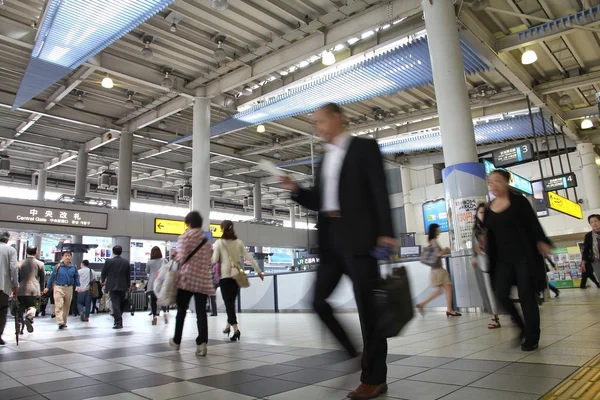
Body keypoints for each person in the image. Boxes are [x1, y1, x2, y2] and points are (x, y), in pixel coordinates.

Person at [279, 103, 395, 400]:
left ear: (337, 118)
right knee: (318, 301)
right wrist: (296, 190)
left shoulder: (364, 148)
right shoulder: (325, 158)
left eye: (320, 122)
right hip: (331, 240)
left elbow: (379, 191)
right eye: (314, 123)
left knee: (369, 311)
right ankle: (352, 351)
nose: (317, 128)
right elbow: (319, 200)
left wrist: (386, 233)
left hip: (360, 239)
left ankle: (374, 378)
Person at [484, 169, 552, 352]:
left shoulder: (519, 202)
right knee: (500, 293)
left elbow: (533, 224)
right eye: (490, 182)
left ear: (507, 182)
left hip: (524, 257)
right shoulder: (489, 207)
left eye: (497, 181)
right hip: (501, 261)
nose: (493, 185)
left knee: (526, 296)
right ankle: (521, 326)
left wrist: (542, 241)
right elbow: (489, 233)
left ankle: (532, 337)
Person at [169, 211, 214, 356]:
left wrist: (174, 254)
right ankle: (202, 343)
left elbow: (181, 258)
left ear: (188, 223)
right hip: (202, 280)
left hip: (187, 280)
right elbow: (210, 260)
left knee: (181, 311)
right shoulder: (206, 241)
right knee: (201, 313)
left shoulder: (185, 237)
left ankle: (177, 341)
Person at [212, 220, 264, 341]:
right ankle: (227, 326)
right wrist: (258, 271)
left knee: (228, 304)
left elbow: (214, 260)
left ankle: (236, 329)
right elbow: (249, 257)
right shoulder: (238, 242)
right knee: (231, 303)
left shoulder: (219, 243)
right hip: (237, 276)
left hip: (225, 277)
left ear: (222, 229)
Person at [416, 224, 461, 317]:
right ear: (435, 230)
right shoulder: (434, 241)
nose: (439, 230)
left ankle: (422, 304)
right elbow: (438, 254)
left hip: (434, 270)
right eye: (438, 229)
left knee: (440, 290)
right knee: (448, 288)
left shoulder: (431, 241)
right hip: (439, 270)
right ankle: (449, 310)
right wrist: (445, 249)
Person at [471, 204, 500, 329]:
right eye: (480, 212)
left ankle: (510, 313)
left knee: (501, 288)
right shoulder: (476, 230)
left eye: (484, 212)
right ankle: (494, 317)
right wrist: (474, 257)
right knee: (488, 289)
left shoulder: (493, 226)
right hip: (483, 262)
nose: (482, 214)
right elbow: (473, 247)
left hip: (497, 261)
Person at [43, 251, 80, 330]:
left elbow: (76, 277)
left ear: (71, 257)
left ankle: (64, 322)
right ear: (62, 257)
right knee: (59, 305)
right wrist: (47, 287)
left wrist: (78, 285)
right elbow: (52, 277)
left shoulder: (73, 267)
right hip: (58, 287)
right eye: (66, 255)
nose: (67, 257)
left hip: (69, 288)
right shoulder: (58, 266)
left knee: (66, 306)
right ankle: (60, 322)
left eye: (69, 255)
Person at [101, 245, 131, 329]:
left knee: (115, 303)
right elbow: (128, 275)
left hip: (112, 285)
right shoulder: (126, 262)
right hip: (123, 285)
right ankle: (118, 320)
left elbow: (104, 273)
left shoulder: (109, 261)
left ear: (113, 252)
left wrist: (103, 280)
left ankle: (118, 321)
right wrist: (128, 285)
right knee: (120, 303)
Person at [17, 245, 45, 334]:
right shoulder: (40, 264)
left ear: (26, 251)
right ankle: (29, 318)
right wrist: (42, 289)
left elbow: (16, 277)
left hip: (21, 290)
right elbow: (43, 279)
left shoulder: (19, 263)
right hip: (34, 290)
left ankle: (19, 327)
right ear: (36, 251)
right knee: (35, 306)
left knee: (20, 309)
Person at [0, 232, 18, 345]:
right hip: (3, 287)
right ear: (8, 240)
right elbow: (14, 268)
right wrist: (15, 284)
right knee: (2, 311)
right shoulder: (10, 250)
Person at [146, 246, 168, 325]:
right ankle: (165, 313)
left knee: (153, 301)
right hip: (161, 282)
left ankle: (154, 316)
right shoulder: (164, 260)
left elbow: (147, 271)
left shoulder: (150, 262)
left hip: (152, 283)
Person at [580, 214, 600, 289]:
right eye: (591, 222)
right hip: (596, 261)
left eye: (596, 221)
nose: (594, 223)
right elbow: (586, 250)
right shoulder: (588, 236)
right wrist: (583, 262)